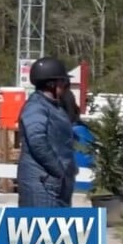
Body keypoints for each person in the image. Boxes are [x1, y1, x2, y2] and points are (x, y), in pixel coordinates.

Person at [16, 56, 78, 207]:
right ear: (52, 84)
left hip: (53, 181)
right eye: (63, 82)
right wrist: (58, 171)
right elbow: (37, 141)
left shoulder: (53, 106)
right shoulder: (36, 107)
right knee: (42, 229)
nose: (66, 86)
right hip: (42, 183)